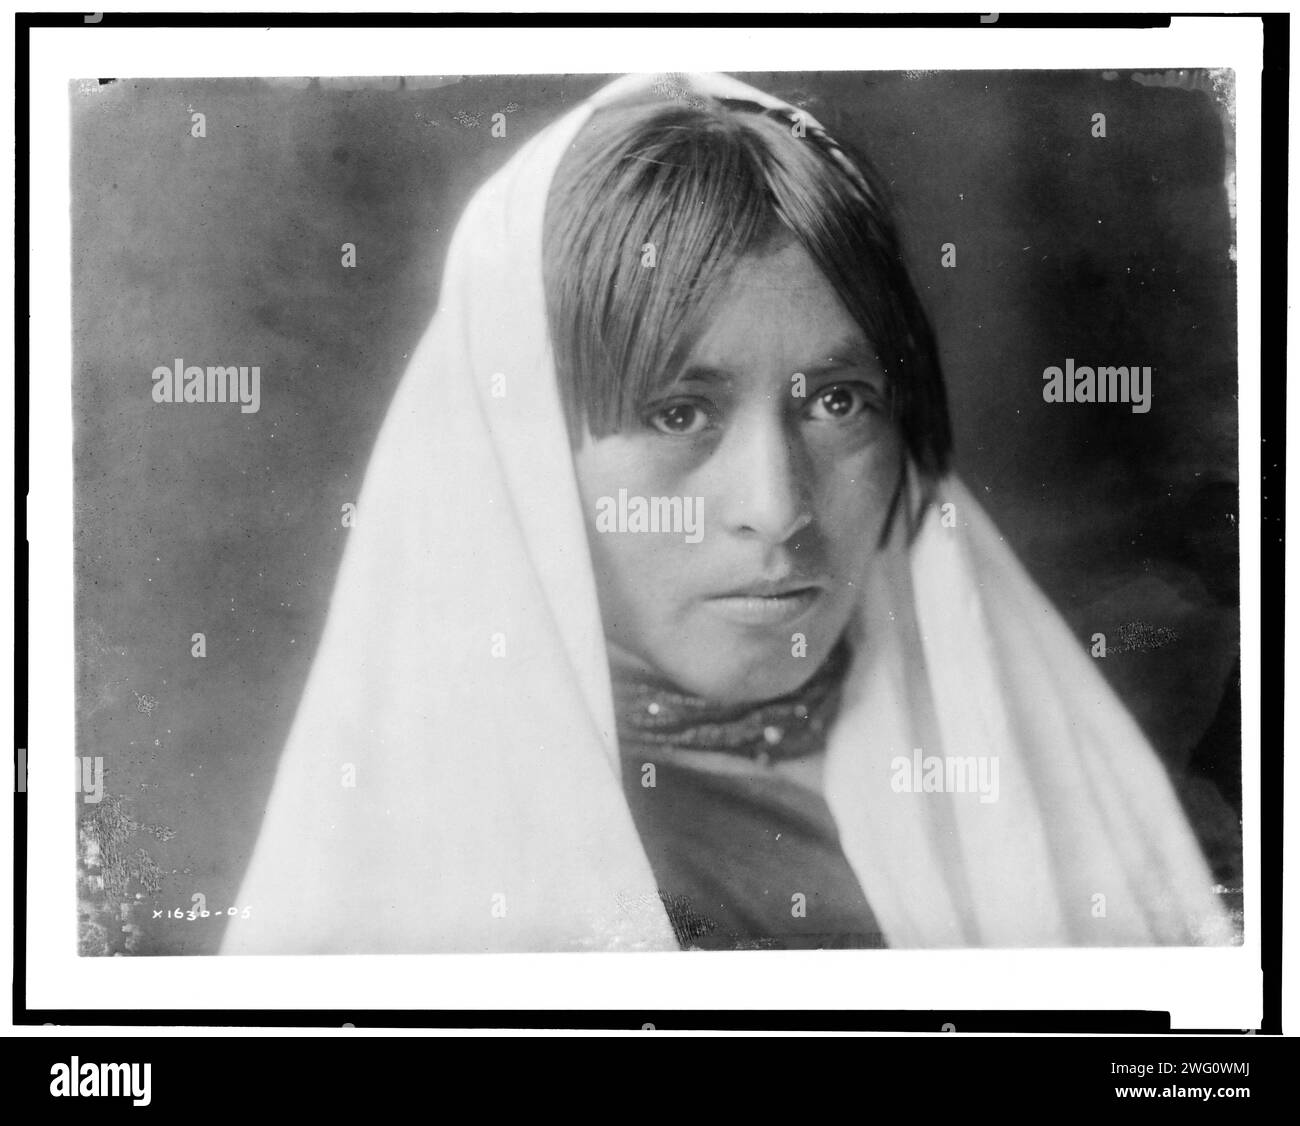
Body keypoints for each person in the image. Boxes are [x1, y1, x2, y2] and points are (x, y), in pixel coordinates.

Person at [220, 72, 1234, 955]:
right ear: (519, 459)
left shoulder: (1050, 783)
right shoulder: (442, 883)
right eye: (678, 411)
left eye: (838, 401)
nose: (776, 507)